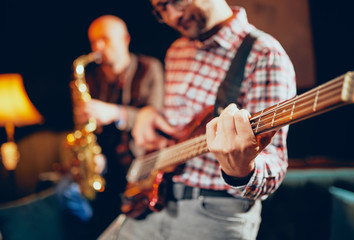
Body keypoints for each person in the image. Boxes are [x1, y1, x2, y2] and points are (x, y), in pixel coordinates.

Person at [112, 0, 296, 239]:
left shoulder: (265, 54)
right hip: (159, 196)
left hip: (215, 213)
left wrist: (242, 170)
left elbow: (275, 166)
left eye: (175, 2)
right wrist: (150, 114)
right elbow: (176, 129)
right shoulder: (177, 50)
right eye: (160, 10)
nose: (172, 16)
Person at [67, 15, 165, 239]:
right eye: (93, 41)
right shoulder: (90, 78)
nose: (98, 47)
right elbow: (86, 128)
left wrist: (114, 113)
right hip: (107, 170)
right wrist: (91, 156)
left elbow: (156, 116)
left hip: (142, 167)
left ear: (125, 39)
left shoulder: (149, 68)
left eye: (104, 39)